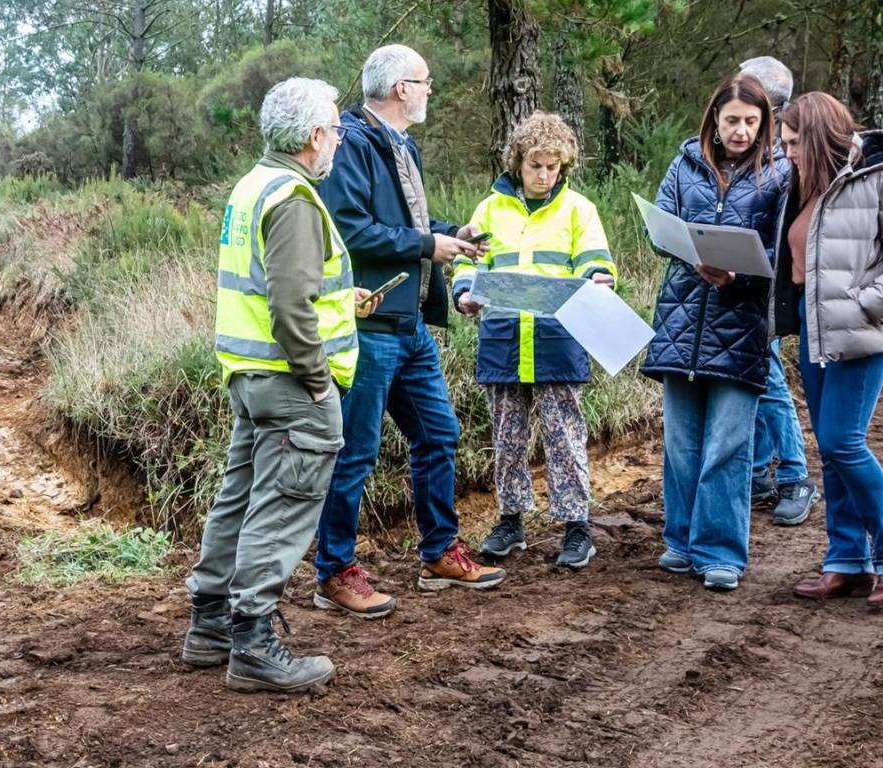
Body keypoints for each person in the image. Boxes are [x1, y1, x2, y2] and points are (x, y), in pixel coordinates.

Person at [182, 77, 381, 693]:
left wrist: (341, 303)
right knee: (282, 508)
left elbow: (282, 287)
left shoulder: (252, 186)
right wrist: (319, 381)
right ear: (315, 135)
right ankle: (254, 645)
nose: (340, 141)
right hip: (293, 384)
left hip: (251, 377)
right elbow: (290, 303)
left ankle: (210, 625)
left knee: (238, 500)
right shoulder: (294, 197)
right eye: (337, 131)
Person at [312, 44, 504, 619]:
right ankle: (333, 572)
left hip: (411, 326)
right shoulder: (350, 143)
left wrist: (454, 233)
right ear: (401, 89)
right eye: (424, 83)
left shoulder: (402, 145)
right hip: (369, 327)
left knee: (439, 435)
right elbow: (350, 229)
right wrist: (428, 245)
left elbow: (407, 225)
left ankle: (440, 552)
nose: (429, 92)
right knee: (356, 453)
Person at [772, 93, 883, 604]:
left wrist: (869, 305)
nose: (786, 152)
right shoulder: (802, 185)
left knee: (842, 441)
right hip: (817, 333)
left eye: (793, 143)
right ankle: (846, 559)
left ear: (815, 139)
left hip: (862, 333)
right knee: (830, 447)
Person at [641, 73, 789, 592]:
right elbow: (657, 228)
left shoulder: (780, 173)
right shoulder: (683, 166)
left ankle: (721, 549)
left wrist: (740, 272)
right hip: (682, 318)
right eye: (732, 120)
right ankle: (681, 540)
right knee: (681, 442)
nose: (742, 131)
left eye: (752, 121)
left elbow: (782, 250)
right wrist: (683, 248)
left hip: (742, 321)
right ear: (714, 119)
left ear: (764, 122)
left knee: (728, 443)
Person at [451, 111, 617, 569]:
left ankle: (576, 526)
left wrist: (599, 277)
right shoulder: (489, 209)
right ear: (517, 163)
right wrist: (464, 292)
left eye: (553, 167)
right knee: (507, 437)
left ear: (564, 166)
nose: (545, 175)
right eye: (536, 166)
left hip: (557, 339)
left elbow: (595, 261)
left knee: (564, 435)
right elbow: (467, 264)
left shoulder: (579, 209)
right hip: (502, 339)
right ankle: (511, 521)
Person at [738, 56, 818, 526]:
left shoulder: (788, 150)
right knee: (757, 376)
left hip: (770, 289)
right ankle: (759, 472)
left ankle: (795, 476)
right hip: (745, 284)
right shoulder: (756, 144)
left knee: (768, 381)